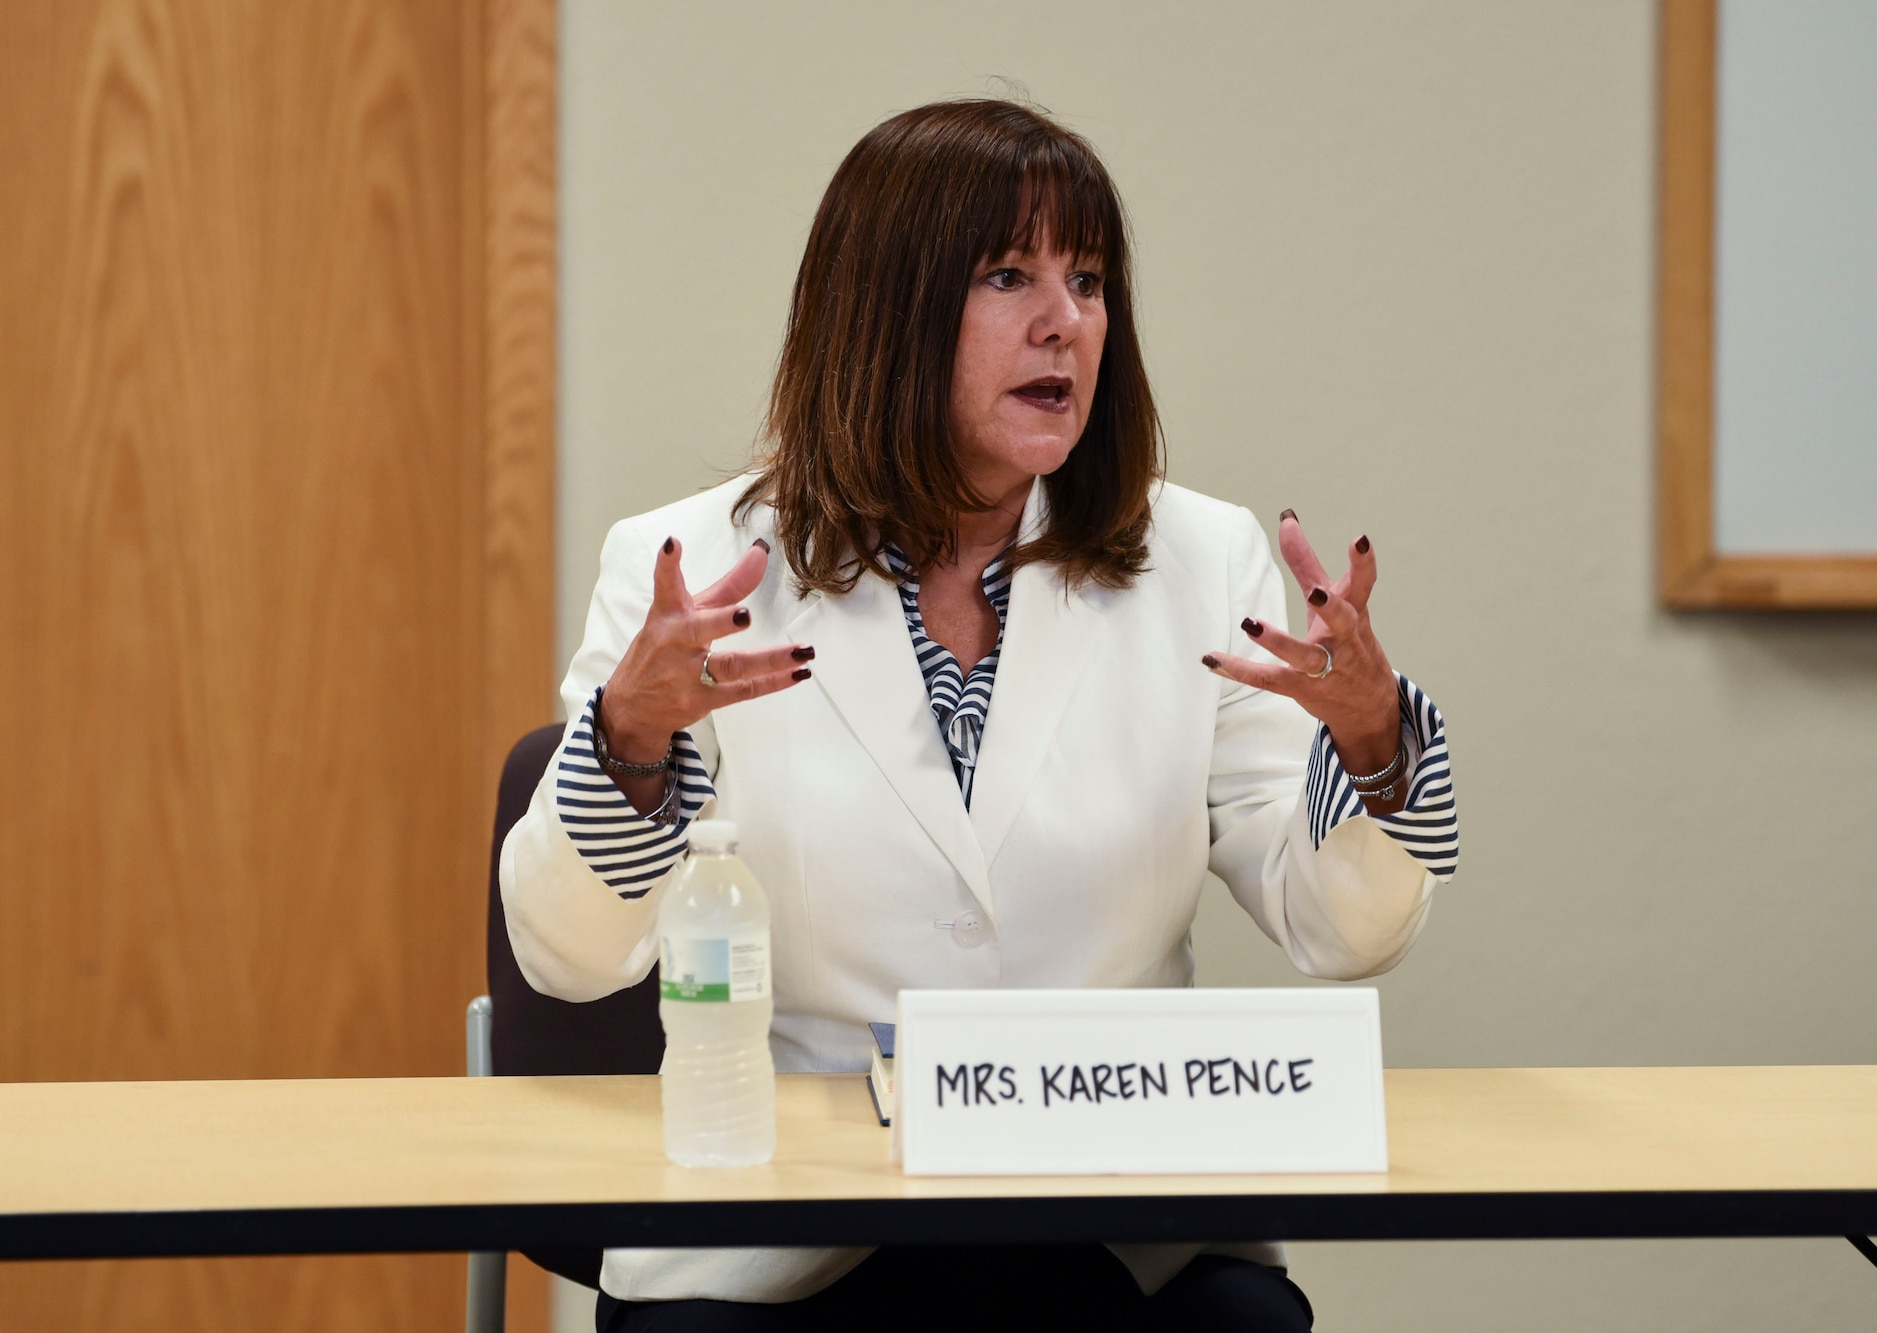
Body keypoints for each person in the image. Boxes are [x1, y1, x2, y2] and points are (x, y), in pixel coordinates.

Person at [502, 99, 1458, 1332]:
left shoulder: (1201, 558)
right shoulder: (688, 563)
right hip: (788, 1232)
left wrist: (1371, 750)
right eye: (1008, 275)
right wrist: (629, 744)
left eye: (1090, 278)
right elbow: (572, 959)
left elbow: (1345, 932)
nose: (1066, 320)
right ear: (885, 311)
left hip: (1115, 1220)